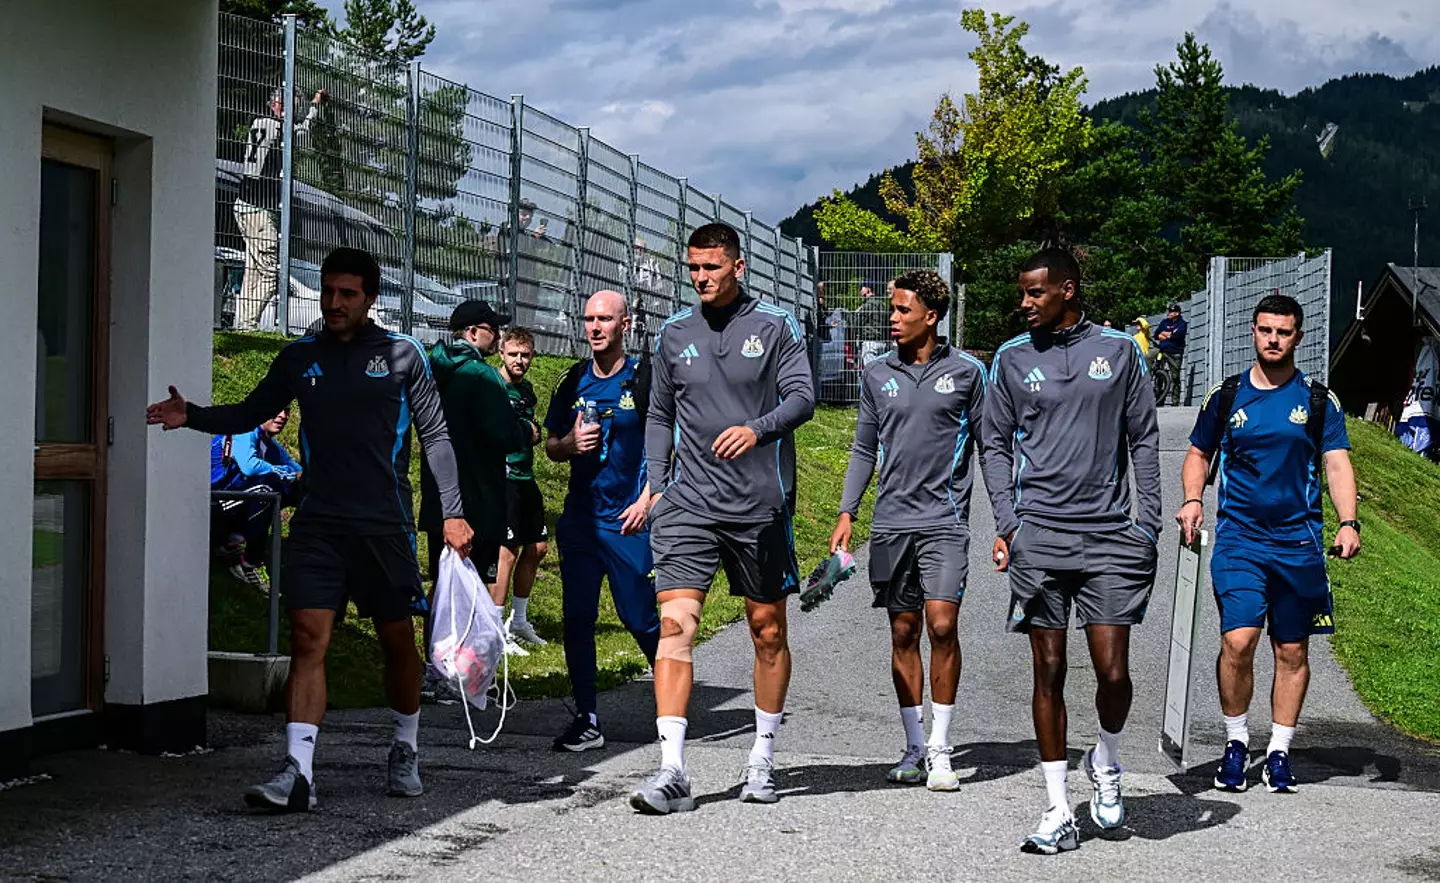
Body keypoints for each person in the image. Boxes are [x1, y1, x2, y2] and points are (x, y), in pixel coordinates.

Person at [147, 247, 473, 812]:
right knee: (307, 638)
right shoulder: (300, 357)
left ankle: (405, 746)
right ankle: (298, 770)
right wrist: (191, 415)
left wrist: (453, 510)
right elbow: (250, 413)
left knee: (397, 642)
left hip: (384, 524)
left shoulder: (402, 355)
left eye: (348, 293)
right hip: (319, 522)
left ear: (371, 298)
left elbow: (436, 437)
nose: (334, 303)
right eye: (328, 291)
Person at [979, 247, 1161, 854]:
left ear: (1068, 290)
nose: (1024, 303)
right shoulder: (1010, 359)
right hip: (1041, 538)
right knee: (1048, 669)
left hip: (1111, 536)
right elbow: (994, 446)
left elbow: (1144, 438)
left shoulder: (1119, 351)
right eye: (1023, 293)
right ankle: (1057, 807)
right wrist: (1010, 522)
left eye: (1035, 292)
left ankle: (1106, 761)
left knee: (1113, 672)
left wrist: (1149, 523)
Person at [629, 222, 815, 813]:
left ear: (738, 266)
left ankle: (761, 759)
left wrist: (757, 430)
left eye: (710, 267)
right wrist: (658, 485)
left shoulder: (776, 325)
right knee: (676, 628)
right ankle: (672, 771)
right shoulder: (673, 334)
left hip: (758, 505)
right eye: (693, 269)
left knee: (767, 630)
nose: (700, 278)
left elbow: (803, 398)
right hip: (688, 505)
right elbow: (658, 416)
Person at [1177, 293, 1359, 794]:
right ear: (1253, 333)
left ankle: (1279, 750)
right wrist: (1194, 498)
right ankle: (1236, 743)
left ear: (1298, 337)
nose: (1273, 339)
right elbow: (1198, 453)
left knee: (1292, 650)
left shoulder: (1318, 401)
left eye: (1283, 331)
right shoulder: (1228, 394)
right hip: (1240, 539)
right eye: (1265, 330)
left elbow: (1337, 462)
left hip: (1298, 544)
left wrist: (1349, 521)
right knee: (1238, 641)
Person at [830, 270, 986, 792]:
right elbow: (862, 449)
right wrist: (847, 512)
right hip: (892, 523)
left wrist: (1010, 520)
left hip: (944, 522)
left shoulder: (968, 372)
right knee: (904, 631)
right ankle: (914, 745)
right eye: (892, 310)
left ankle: (941, 749)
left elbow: (993, 447)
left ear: (931, 316)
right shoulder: (877, 375)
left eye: (902, 310)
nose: (892, 318)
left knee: (942, 625)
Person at [544, 290, 662, 752]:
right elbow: (550, 444)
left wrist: (649, 499)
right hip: (580, 519)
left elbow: (668, 446)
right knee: (577, 617)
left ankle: (671, 699)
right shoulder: (573, 380)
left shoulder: (645, 379)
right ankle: (587, 718)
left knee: (639, 617)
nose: (594, 327)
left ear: (625, 325)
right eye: (589, 319)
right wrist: (570, 445)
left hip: (628, 519)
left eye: (604, 320)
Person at [418, 300, 538, 686]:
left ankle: (433, 668)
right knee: (473, 588)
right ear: (472, 332)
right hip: (478, 499)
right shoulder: (480, 376)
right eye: (491, 329)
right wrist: (527, 432)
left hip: (439, 497)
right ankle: (462, 674)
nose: (497, 336)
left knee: (442, 582)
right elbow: (503, 432)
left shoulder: (430, 369)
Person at [233, 86, 327, 331]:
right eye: (293, 105)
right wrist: (315, 107)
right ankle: (248, 324)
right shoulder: (279, 128)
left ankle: (243, 325)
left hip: (244, 204)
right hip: (259, 209)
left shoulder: (259, 123)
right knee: (272, 273)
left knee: (253, 270)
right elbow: (303, 133)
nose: (294, 110)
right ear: (279, 106)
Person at [495, 327, 549, 650]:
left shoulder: (527, 390)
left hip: (526, 476)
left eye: (525, 355)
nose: (519, 360)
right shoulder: (492, 385)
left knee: (538, 548)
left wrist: (533, 431)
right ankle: (496, 628)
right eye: (513, 354)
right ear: (502, 352)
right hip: (503, 477)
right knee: (506, 553)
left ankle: (519, 620)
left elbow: (533, 431)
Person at [210, 407, 301, 588]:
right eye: (276, 410)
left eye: (287, 411)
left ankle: (308, 545)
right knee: (265, 492)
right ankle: (248, 560)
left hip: (235, 502)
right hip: (212, 503)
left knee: (298, 488)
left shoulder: (271, 447)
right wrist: (286, 473)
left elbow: (298, 471)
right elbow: (249, 466)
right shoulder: (243, 430)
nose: (282, 416)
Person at [1154, 301, 1187, 406]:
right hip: (1163, 351)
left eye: (1171, 311)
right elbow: (1156, 334)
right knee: (1159, 374)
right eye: (1169, 311)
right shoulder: (1164, 322)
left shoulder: (1182, 324)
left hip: (1175, 353)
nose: (1169, 313)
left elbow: (1177, 336)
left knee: (1175, 377)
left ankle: (1175, 401)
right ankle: (1159, 399)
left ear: (1177, 313)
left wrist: (1166, 334)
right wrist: (1167, 334)